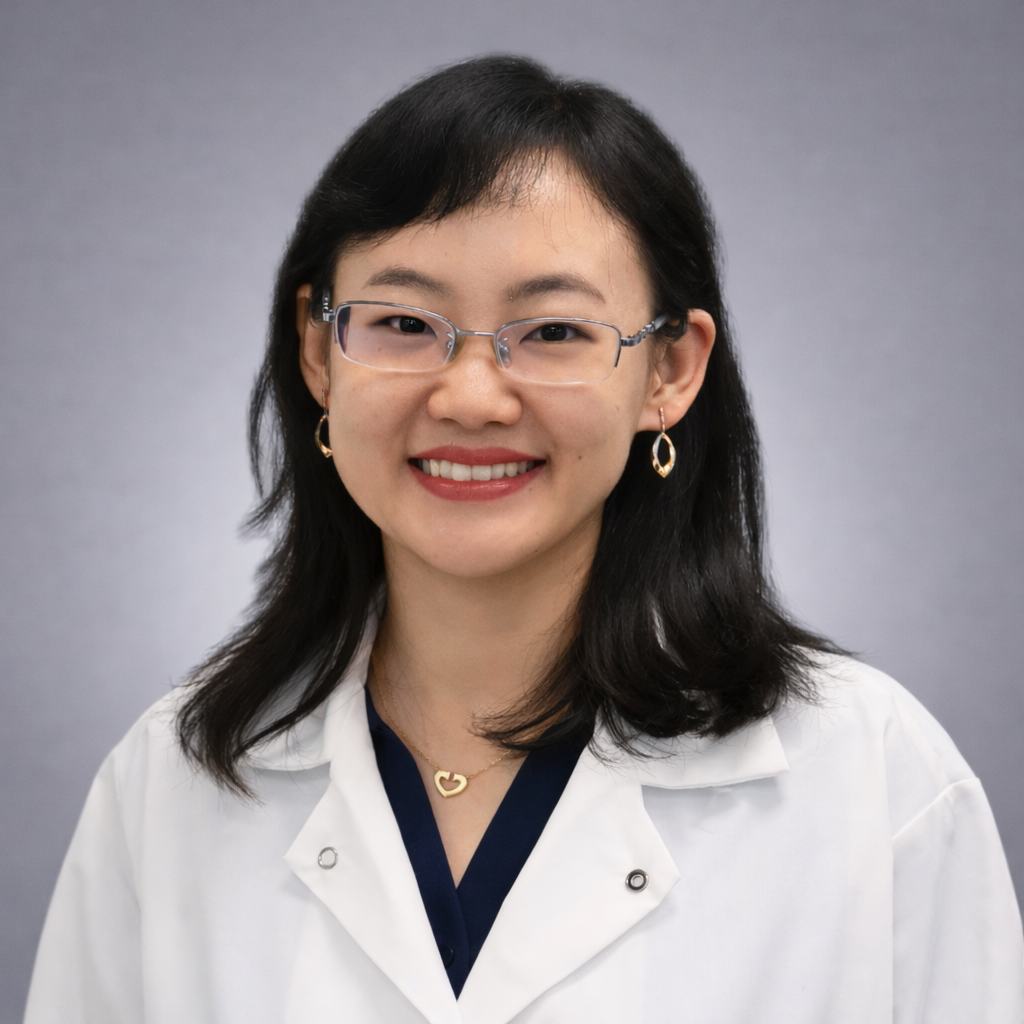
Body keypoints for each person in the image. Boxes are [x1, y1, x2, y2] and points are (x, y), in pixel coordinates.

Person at [24, 55, 1023, 1024]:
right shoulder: (170, 785)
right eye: (402, 322)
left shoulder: (871, 781)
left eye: (550, 332)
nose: (467, 395)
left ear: (670, 370)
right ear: (320, 350)